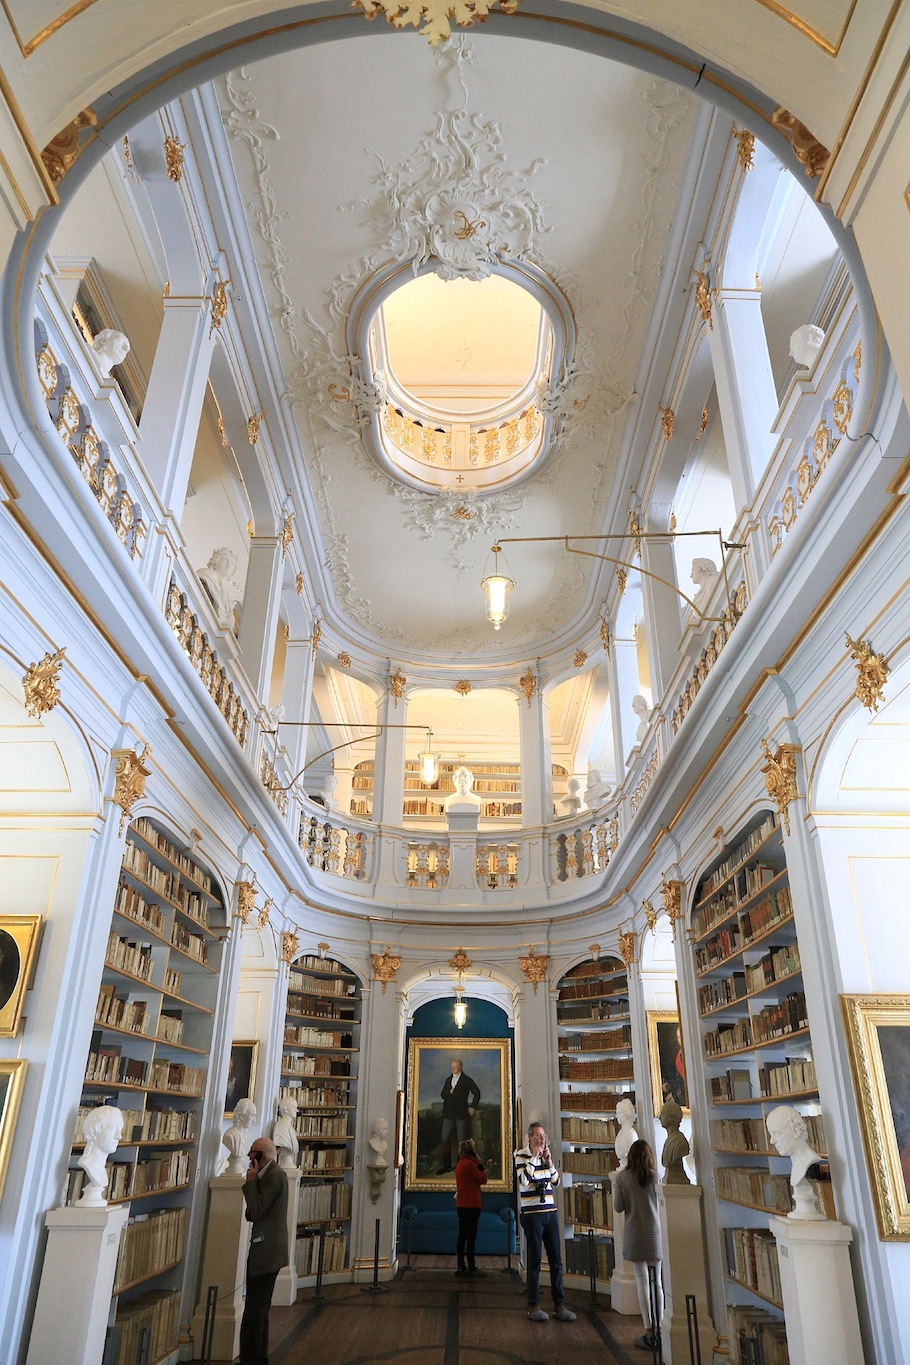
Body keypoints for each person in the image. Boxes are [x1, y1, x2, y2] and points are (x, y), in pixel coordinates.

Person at [514, 1122, 576, 1324]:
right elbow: (523, 1180)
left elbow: (556, 1181)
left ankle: (560, 1304)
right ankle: (533, 1306)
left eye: (544, 1136)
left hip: (550, 1213)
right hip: (532, 1215)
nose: (542, 1139)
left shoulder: (546, 1157)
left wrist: (549, 1163)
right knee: (534, 1261)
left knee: (556, 1260)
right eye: (539, 1136)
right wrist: (533, 1158)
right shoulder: (521, 1156)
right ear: (530, 1137)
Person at [240, 1136, 289, 1365]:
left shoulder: (275, 1176)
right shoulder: (268, 1175)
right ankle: (258, 1358)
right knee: (258, 1310)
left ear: (263, 1155)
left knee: (254, 1313)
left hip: (267, 1251)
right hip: (266, 1249)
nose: (250, 1156)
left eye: (253, 1152)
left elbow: (256, 1210)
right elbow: (252, 1212)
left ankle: (252, 1360)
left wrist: (250, 1182)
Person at [611, 1138, 663, 1352]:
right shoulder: (655, 1177)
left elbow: (618, 1207)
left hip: (634, 1234)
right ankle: (659, 1329)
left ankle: (649, 1330)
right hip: (654, 1233)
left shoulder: (623, 1178)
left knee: (642, 1282)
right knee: (656, 1282)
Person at [766, 1105, 825, 1220]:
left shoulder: (811, 1163)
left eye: (777, 1133)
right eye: (770, 1134)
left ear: (796, 1130)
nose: (772, 1141)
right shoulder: (796, 1166)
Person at [436, 1058, 481, 1174]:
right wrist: (449, 1092)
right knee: (444, 1138)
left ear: (460, 1067)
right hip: (448, 1113)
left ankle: (460, 1166)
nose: (453, 1068)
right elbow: (442, 1094)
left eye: (455, 1066)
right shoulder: (448, 1079)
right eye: (452, 1066)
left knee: (461, 1141)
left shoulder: (466, 1080)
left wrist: (473, 1106)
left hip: (461, 1113)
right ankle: (446, 1166)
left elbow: (477, 1093)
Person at [77, 1104, 124, 1205]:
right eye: (112, 1129)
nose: (119, 1136)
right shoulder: (88, 1165)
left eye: (120, 1130)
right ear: (95, 1130)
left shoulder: (102, 1171)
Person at [454, 1138, 487, 1279]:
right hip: (471, 1205)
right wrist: (480, 1164)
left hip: (462, 1204)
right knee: (471, 1237)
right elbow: (482, 1179)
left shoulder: (460, 1164)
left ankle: (461, 1265)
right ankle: (471, 1267)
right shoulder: (470, 1165)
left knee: (462, 1236)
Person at [658, 1098, 690, 1184]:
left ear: (671, 1116)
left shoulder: (679, 1142)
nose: (659, 1117)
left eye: (663, 1114)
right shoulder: (669, 1141)